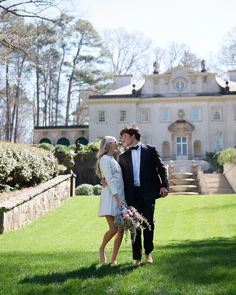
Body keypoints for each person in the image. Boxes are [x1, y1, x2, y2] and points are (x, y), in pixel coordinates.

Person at [118, 125, 169, 266]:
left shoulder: (150, 150)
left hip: (149, 193)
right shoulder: (122, 157)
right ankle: (137, 257)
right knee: (133, 225)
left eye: (125, 137)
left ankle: (148, 253)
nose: (123, 139)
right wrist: (104, 181)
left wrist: (165, 185)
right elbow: (118, 176)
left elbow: (161, 168)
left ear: (133, 136)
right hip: (132, 195)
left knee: (149, 223)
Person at [96, 136, 126, 265]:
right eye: (114, 141)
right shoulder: (104, 159)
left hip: (120, 197)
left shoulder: (114, 159)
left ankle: (114, 259)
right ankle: (102, 248)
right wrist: (117, 198)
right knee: (113, 229)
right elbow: (108, 179)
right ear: (108, 145)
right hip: (110, 197)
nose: (117, 143)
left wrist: (122, 198)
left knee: (121, 230)